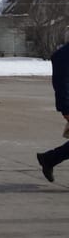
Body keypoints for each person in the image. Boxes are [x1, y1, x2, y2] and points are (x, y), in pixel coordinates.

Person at [37, 31, 69, 183]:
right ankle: (49, 159)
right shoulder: (63, 56)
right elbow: (61, 83)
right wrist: (65, 107)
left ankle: (49, 159)